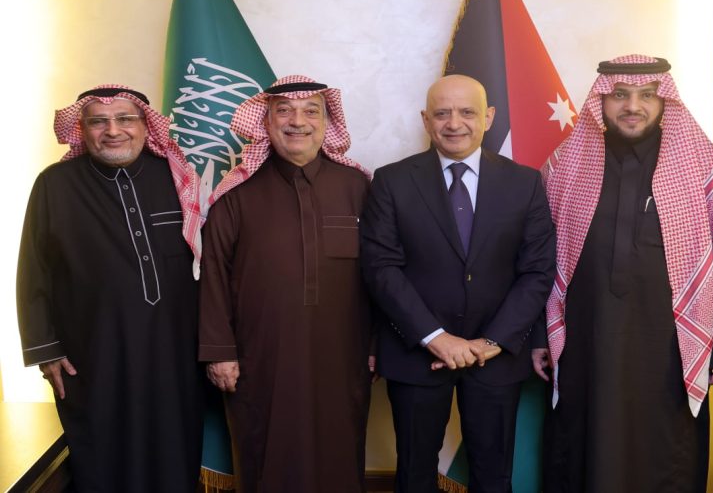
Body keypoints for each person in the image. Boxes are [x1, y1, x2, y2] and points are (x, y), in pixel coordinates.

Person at [538, 55, 713, 492]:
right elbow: (540, 262)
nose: (633, 106)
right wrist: (539, 337)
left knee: (666, 447)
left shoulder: (703, 167)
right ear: (601, 101)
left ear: (664, 100)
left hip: (670, 344)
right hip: (585, 339)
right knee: (581, 443)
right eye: (620, 95)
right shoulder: (566, 166)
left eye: (647, 95)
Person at [361, 74, 556, 493]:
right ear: (425, 119)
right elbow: (381, 268)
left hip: (496, 355)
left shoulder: (525, 183)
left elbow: (537, 271)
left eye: (467, 112)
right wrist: (436, 338)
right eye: (442, 113)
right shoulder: (391, 181)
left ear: (488, 117)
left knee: (493, 475)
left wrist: (492, 342)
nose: (454, 123)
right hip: (415, 352)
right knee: (414, 474)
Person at [16, 85, 204, 492]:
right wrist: (46, 350)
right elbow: (34, 271)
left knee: (175, 453)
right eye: (98, 122)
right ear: (82, 130)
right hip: (94, 354)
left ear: (146, 126)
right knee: (103, 459)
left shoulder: (175, 176)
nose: (113, 131)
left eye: (125, 119)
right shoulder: (54, 185)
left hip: (175, 353)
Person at [199, 75, 373, 492]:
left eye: (311, 111)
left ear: (327, 123)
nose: (298, 121)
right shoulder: (236, 193)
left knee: (340, 452)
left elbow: (381, 274)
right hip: (259, 357)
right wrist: (220, 352)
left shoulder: (358, 187)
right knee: (265, 455)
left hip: (344, 355)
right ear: (266, 121)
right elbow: (213, 274)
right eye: (284, 111)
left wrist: (377, 345)